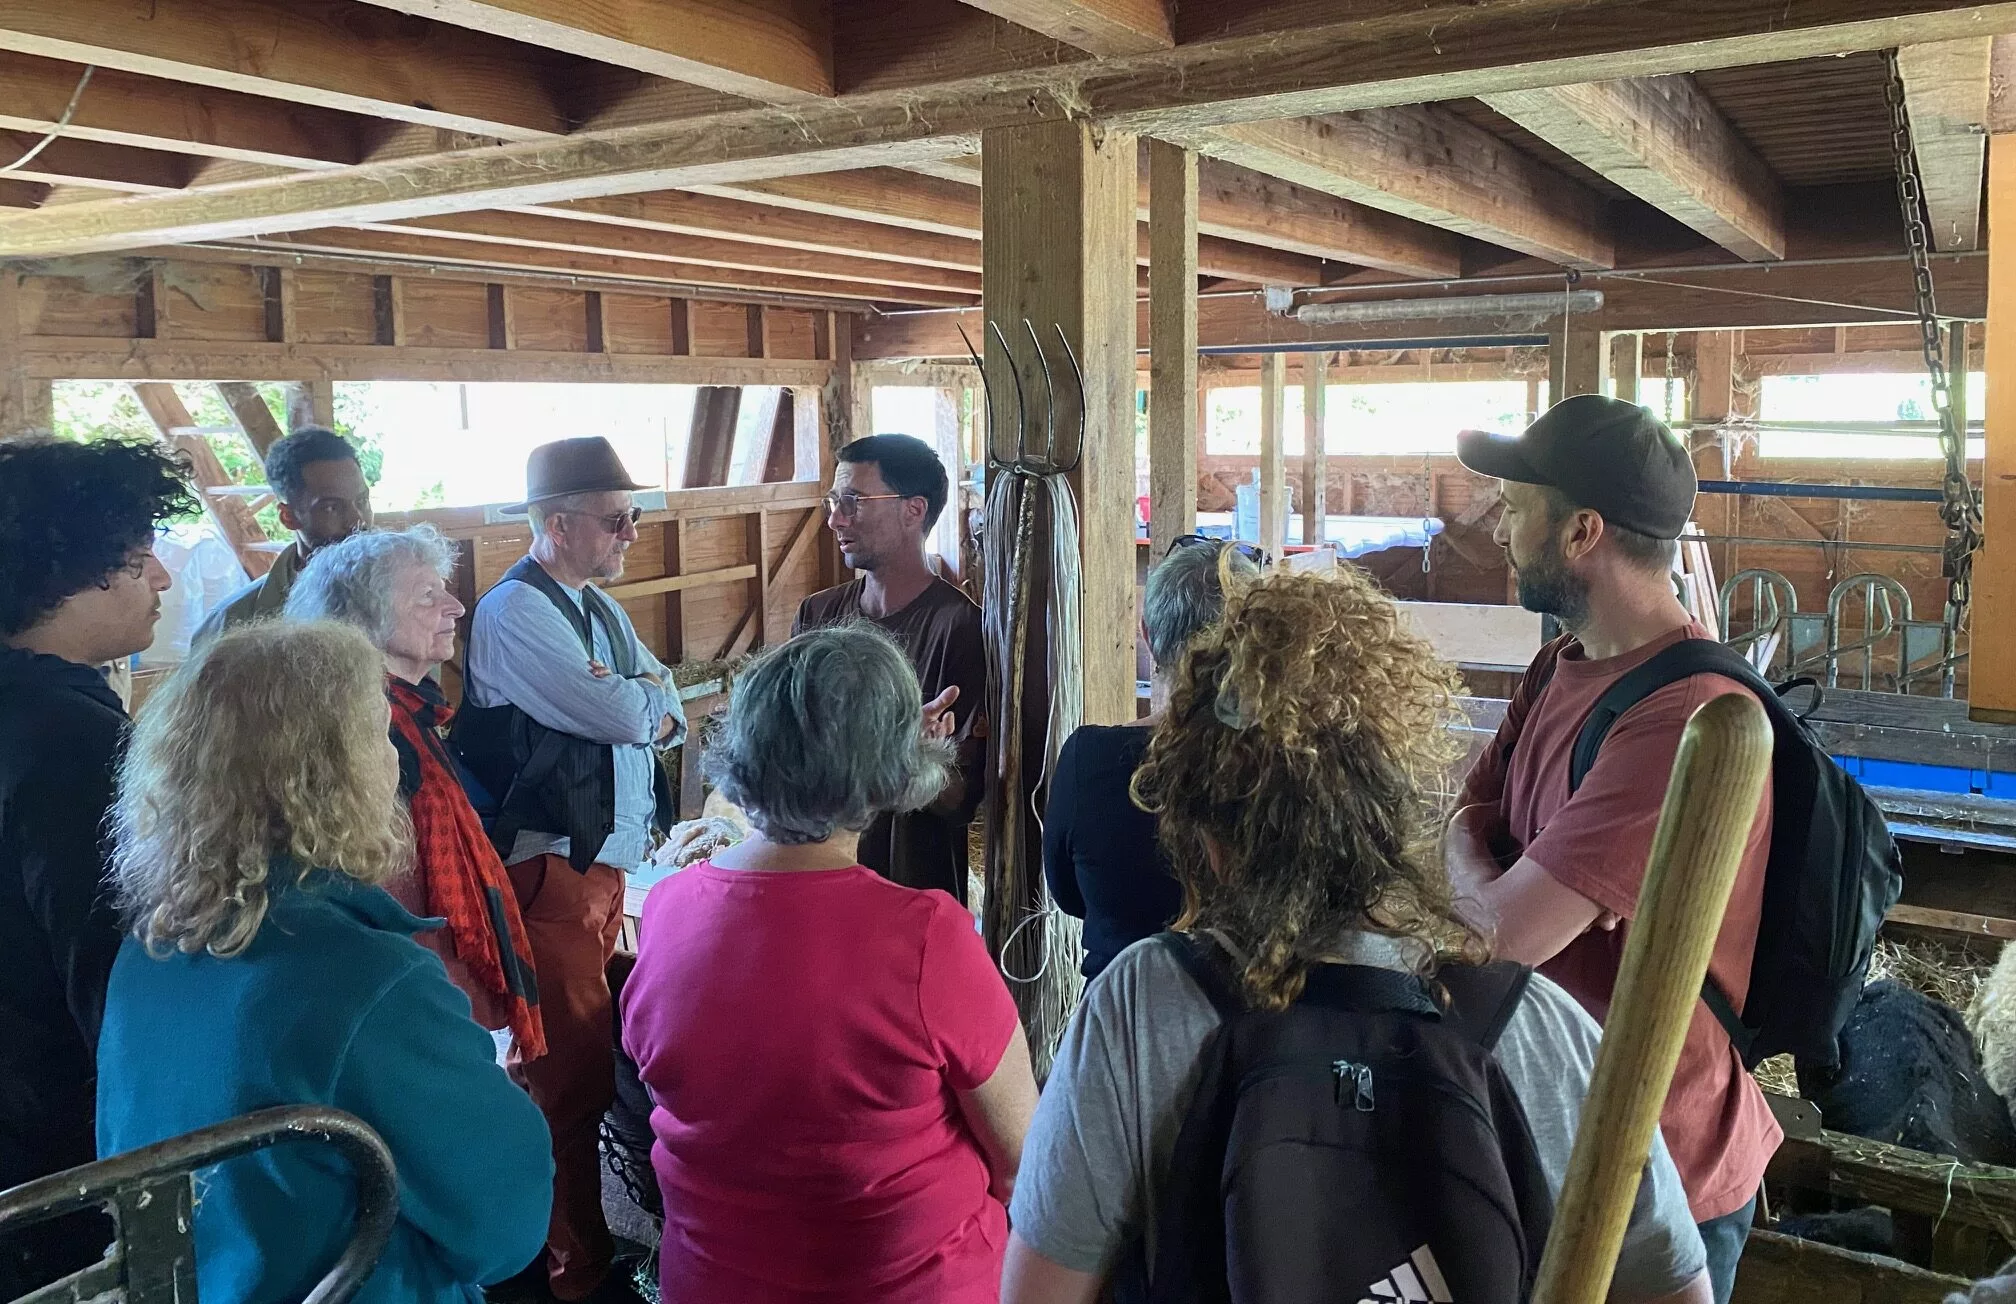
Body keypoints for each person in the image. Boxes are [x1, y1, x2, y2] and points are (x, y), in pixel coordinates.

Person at [1002, 565, 1711, 1304]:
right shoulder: (1537, 1029)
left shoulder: (1142, 1007)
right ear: (1396, 808)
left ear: (1203, 834)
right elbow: (1673, 1291)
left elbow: (1038, 1294)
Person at [96, 620, 552, 1304]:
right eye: (377, 733)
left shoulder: (149, 953)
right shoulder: (371, 981)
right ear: (335, 774)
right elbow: (507, 1229)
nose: (396, 755)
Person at [1446, 395, 1778, 1304]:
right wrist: (1487, 873)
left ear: (1581, 532)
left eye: (1517, 509)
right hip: (1558, 1128)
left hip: (1655, 1171)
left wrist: (1480, 874)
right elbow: (1464, 816)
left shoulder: (1688, 718)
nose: (1501, 529)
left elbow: (1498, 935)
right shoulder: (1561, 664)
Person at [621, 623, 1035, 1303]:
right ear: (891, 771)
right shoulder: (927, 937)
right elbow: (1022, 1157)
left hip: (713, 1280)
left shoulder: (667, 912)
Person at [453, 435, 683, 1304]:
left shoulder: (591, 604)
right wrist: (646, 703)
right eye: (616, 520)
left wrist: (647, 702)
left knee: (582, 1065)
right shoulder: (517, 612)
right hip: (549, 871)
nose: (631, 534)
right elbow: (628, 708)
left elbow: (658, 692)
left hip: (595, 869)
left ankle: (577, 1251)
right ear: (557, 525)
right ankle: (571, 1278)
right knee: (566, 1082)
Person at [0, 436, 188, 1296]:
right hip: (60, 1147)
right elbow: (109, 971)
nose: (163, 580)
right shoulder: (74, 745)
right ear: (77, 571)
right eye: (142, 558)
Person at [286, 526, 544, 1059]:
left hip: (436, 983)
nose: (455, 607)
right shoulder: (364, 731)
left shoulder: (413, 717)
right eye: (427, 595)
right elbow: (387, 889)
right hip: (417, 996)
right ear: (362, 615)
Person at [1043, 536, 1260, 979]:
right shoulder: (1283, 763)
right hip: (1248, 1016)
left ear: (1146, 633)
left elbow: (1067, 895)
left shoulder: (1089, 758)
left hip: (1118, 1011)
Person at [794, 434, 984, 904]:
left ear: (913, 510)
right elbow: (786, 754)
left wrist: (899, 754)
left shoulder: (960, 628)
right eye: (835, 500)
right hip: (812, 881)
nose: (836, 518)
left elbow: (960, 797)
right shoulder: (816, 618)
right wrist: (895, 752)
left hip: (908, 891)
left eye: (855, 501)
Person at [191, 425, 374, 645]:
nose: (357, 521)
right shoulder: (233, 625)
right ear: (288, 517)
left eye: (362, 501)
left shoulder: (416, 601)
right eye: (331, 507)